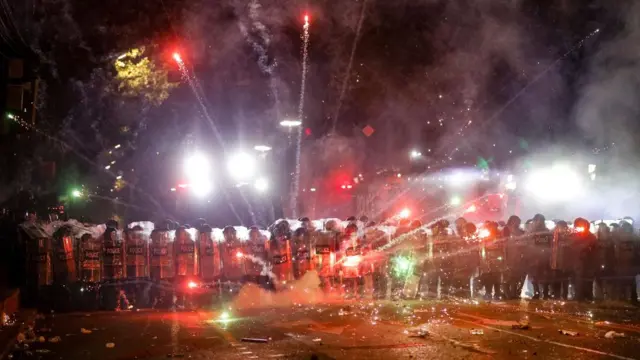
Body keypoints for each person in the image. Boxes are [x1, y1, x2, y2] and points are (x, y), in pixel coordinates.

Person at [528, 214, 552, 299]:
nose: (540, 222)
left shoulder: (547, 231)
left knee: (545, 276)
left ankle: (545, 292)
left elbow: (551, 244)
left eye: (541, 220)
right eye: (538, 220)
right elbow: (528, 244)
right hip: (534, 257)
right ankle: (536, 292)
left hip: (545, 257)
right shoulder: (531, 232)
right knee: (535, 276)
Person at [504, 215, 525, 299]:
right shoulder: (506, 230)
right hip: (508, 255)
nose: (517, 224)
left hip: (519, 256)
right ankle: (507, 292)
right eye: (515, 221)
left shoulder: (520, 231)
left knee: (516, 277)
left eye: (518, 222)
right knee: (509, 276)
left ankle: (514, 293)